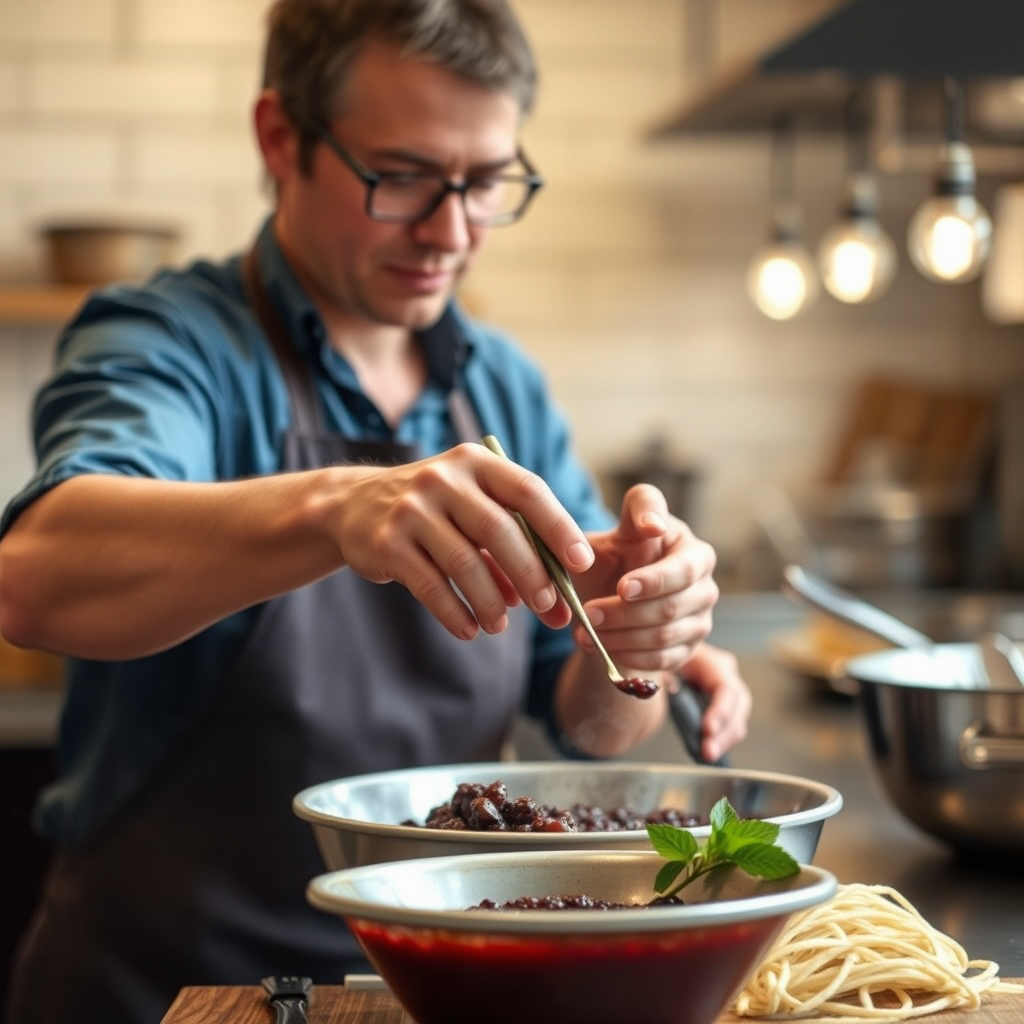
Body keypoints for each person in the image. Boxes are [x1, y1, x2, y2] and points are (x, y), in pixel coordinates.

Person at [0, 1, 751, 1022]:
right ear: (281, 139)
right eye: (400, 177)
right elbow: (35, 579)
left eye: (484, 183)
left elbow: (591, 729)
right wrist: (336, 504)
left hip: (433, 989)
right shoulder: (169, 343)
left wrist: (638, 641)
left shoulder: (502, 387)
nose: (452, 232)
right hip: (169, 993)